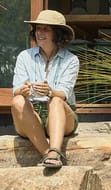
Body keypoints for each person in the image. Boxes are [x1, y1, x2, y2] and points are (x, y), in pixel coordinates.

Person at [11, 9, 80, 170]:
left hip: (61, 116)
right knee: (17, 100)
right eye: (38, 29)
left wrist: (49, 92)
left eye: (45, 29)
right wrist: (24, 91)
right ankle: (46, 153)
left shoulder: (71, 60)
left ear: (57, 33)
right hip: (30, 115)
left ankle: (55, 152)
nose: (39, 33)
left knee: (56, 100)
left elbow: (63, 93)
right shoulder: (24, 56)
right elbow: (16, 89)